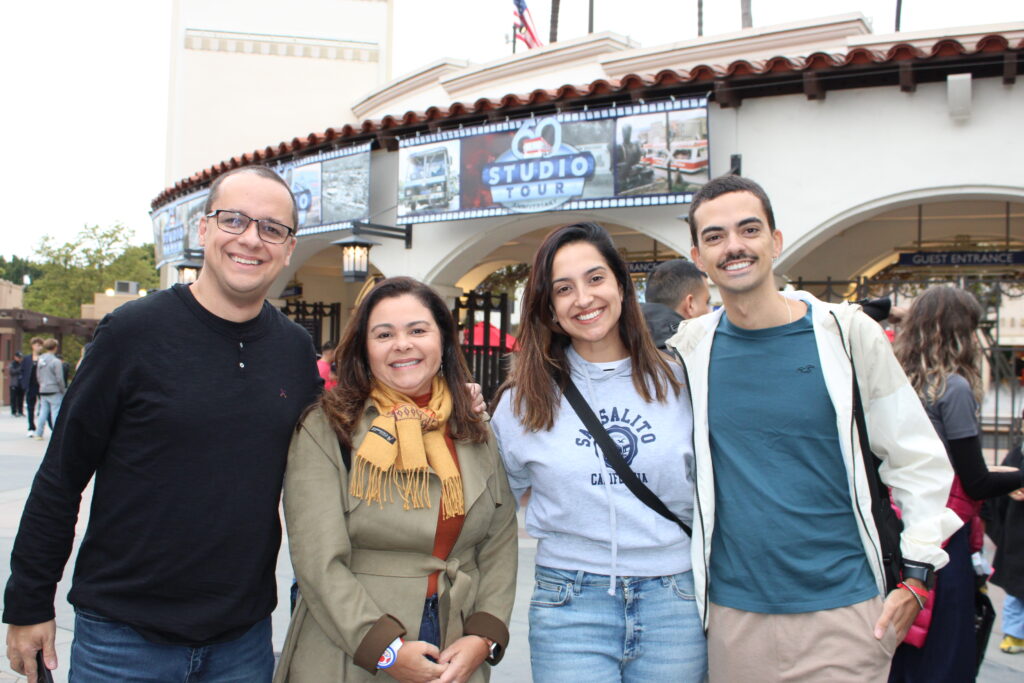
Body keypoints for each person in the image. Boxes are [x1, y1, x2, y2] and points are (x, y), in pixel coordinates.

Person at [3, 165, 323, 683]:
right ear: (202, 230)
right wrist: (28, 601)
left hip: (241, 643)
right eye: (234, 220)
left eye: (272, 228)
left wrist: (441, 406)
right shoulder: (131, 333)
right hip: (123, 640)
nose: (251, 239)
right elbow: (61, 476)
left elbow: (333, 455)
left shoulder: (294, 350)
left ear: (288, 248)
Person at [666, 175, 962, 682]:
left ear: (775, 241)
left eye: (749, 229)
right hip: (734, 616)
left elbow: (916, 458)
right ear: (698, 256)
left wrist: (917, 575)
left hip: (847, 611)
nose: (733, 246)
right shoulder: (688, 350)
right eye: (715, 237)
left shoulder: (847, 336)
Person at [490, 222, 706, 682]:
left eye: (595, 279)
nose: (583, 299)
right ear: (548, 309)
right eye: (563, 289)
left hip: (675, 600)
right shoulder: (523, 399)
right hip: (569, 602)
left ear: (622, 287)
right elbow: (491, 510)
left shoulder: (683, 382)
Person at [275, 276, 517, 683]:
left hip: (455, 645)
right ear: (365, 349)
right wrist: (384, 649)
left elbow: (500, 537)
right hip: (353, 645)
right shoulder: (327, 428)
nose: (402, 344)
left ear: (442, 340)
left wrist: (483, 633)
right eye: (384, 334)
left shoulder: (471, 424)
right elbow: (317, 561)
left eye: (418, 330)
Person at [888, 286, 1024, 682]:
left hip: (897, 525)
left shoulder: (896, 381)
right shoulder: (953, 388)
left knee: (903, 645)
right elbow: (975, 482)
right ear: (960, 333)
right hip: (944, 533)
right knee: (945, 650)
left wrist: (904, 313)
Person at [986, 443, 1024, 655]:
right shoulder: (1018, 453)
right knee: (1015, 588)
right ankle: (1014, 634)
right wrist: (1010, 488)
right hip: (1016, 530)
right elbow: (999, 483)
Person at [640, 259, 711, 349]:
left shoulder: (624, 346)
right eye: (707, 302)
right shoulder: (695, 356)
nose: (710, 312)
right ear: (690, 305)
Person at [32, 339, 66, 440]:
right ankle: (57, 434)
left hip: (43, 388)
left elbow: (38, 375)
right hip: (54, 388)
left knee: (43, 411)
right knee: (55, 411)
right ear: (55, 347)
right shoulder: (56, 361)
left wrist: (41, 384)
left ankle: (39, 433)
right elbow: (59, 378)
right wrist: (62, 389)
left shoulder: (41, 360)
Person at [20, 337, 43, 436]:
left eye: (40, 345)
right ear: (33, 346)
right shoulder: (26, 359)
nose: (39, 347)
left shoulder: (43, 358)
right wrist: (23, 383)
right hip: (30, 385)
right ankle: (31, 427)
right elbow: (22, 371)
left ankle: (41, 427)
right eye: (37, 345)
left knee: (43, 407)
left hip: (41, 386)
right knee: (30, 407)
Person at [8, 351, 25, 416]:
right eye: (18, 357)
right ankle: (14, 411)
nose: (20, 359)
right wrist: (20, 369)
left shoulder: (22, 364)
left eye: (20, 357)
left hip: (21, 384)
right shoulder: (12, 364)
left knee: (21, 398)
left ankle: (20, 411)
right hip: (14, 384)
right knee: (13, 398)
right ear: (15, 357)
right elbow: (12, 371)